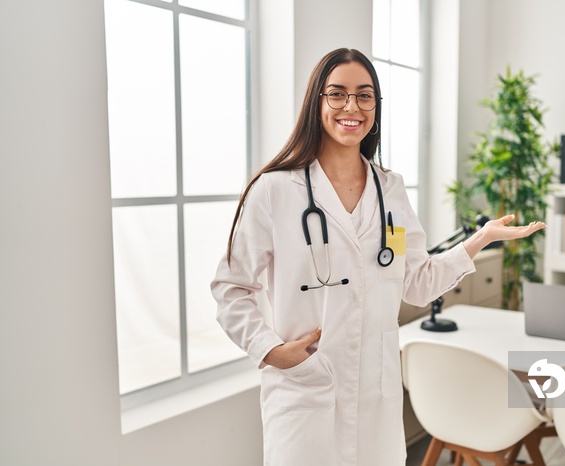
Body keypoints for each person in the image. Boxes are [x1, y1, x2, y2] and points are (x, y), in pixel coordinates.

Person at [211, 48, 546, 466]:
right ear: (317, 103)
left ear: (376, 106)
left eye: (364, 95)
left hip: (376, 394)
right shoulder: (275, 190)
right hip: (305, 388)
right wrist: (270, 350)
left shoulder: (391, 189)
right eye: (337, 94)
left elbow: (418, 281)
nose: (352, 106)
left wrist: (478, 240)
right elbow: (230, 288)